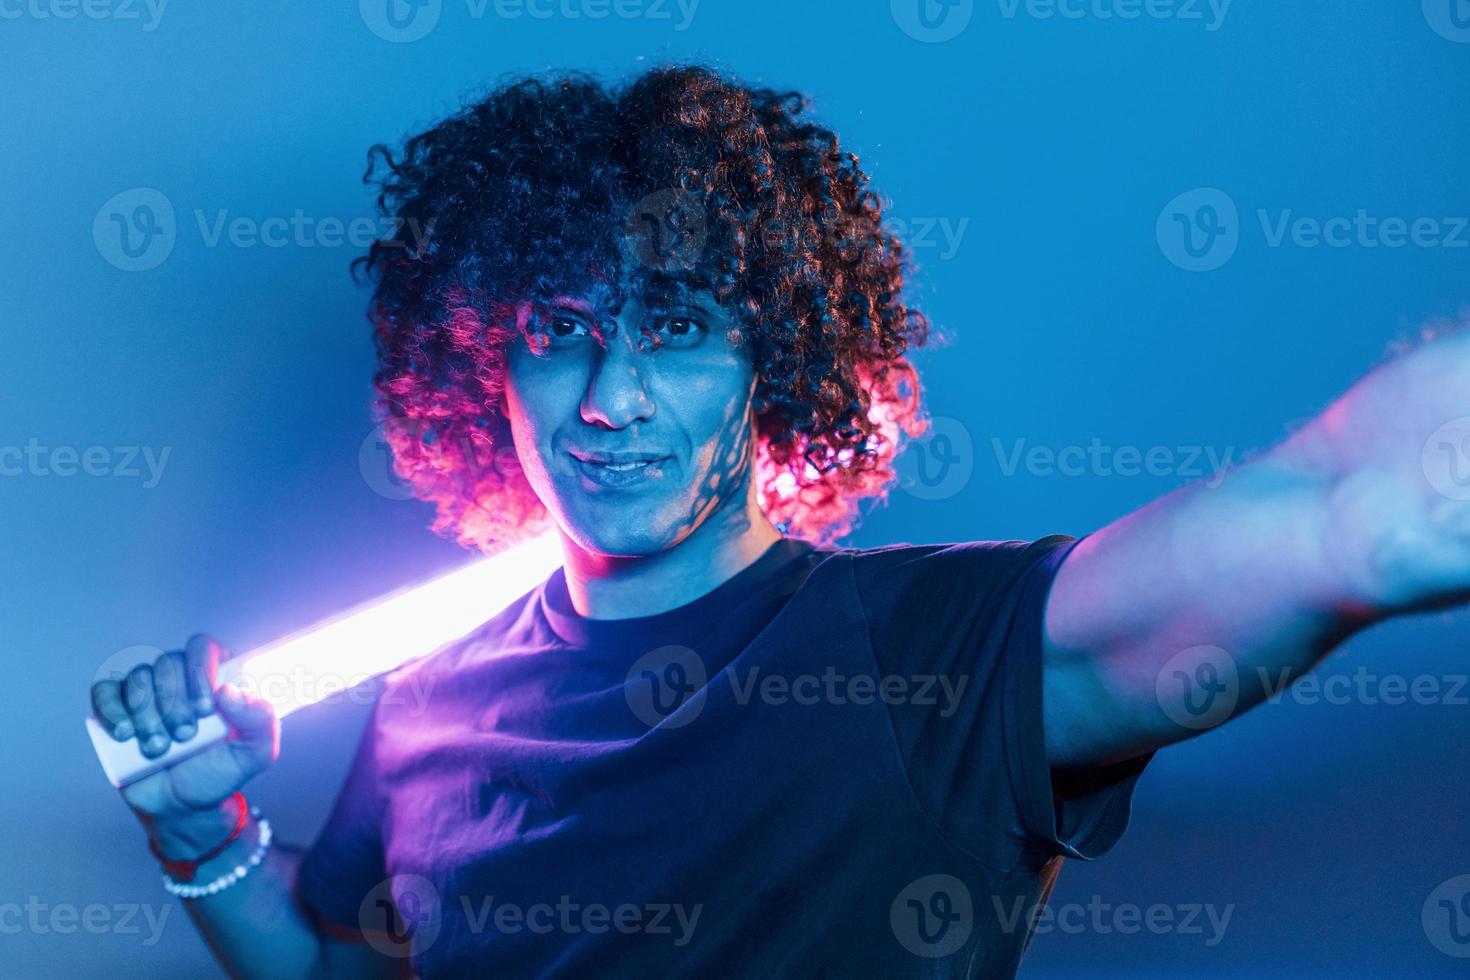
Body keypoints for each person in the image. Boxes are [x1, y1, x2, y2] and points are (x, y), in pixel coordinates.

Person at [88, 64, 1470, 978]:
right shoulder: (430, 706)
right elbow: (353, 967)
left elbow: (1354, 515)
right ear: (481, 367)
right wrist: (204, 842)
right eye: (559, 331)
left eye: (675, 329)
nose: (608, 396)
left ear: (778, 365)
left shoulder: (935, 651)